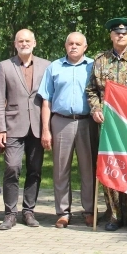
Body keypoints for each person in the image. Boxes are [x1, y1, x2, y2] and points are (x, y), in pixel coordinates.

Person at [86, 17, 127, 231]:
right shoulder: (100, 60)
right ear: (111, 35)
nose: (120, 35)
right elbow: (91, 90)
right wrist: (96, 108)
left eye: (124, 33)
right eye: (116, 32)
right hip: (109, 124)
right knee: (111, 166)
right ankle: (114, 216)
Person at [0, 29, 50, 230]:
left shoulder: (46, 66)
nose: (24, 43)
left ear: (34, 43)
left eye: (28, 40)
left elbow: (48, 99)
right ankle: (10, 213)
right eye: (20, 41)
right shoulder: (5, 66)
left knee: (34, 170)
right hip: (13, 126)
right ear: (15, 44)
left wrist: (47, 128)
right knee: (12, 168)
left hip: (37, 126)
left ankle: (29, 211)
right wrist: (0, 129)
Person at [39, 32, 97, 228]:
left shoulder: (93, 66)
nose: (74, 46)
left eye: (78, 44)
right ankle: (63, 212)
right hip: (61, 122)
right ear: (65, 46)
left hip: (86, 122)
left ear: (85, 47)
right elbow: (46, 100)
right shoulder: (54, 67)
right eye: (70, 43)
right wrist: (46, 130)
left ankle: (89, 210)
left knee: (88, 169)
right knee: (60, 169)